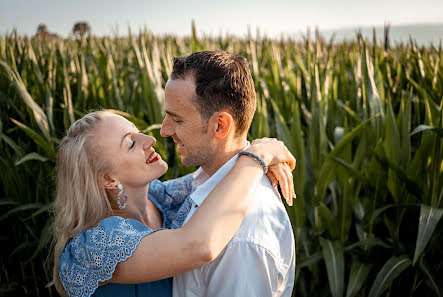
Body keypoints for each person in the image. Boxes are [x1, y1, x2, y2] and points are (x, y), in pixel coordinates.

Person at [52, 110, 296, 297]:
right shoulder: (88, 250)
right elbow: (199, 246)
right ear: (108, 179)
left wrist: (263, 149)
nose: (149, 139)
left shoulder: (160, 198)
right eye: (130, 143)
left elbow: (218, 174)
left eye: (138, 131)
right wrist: (256, 159)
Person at [160, 51, 296, 297]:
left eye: (176, 119)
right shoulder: (204, 182)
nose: (164, 130)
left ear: (220, 125)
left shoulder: (242, 240)